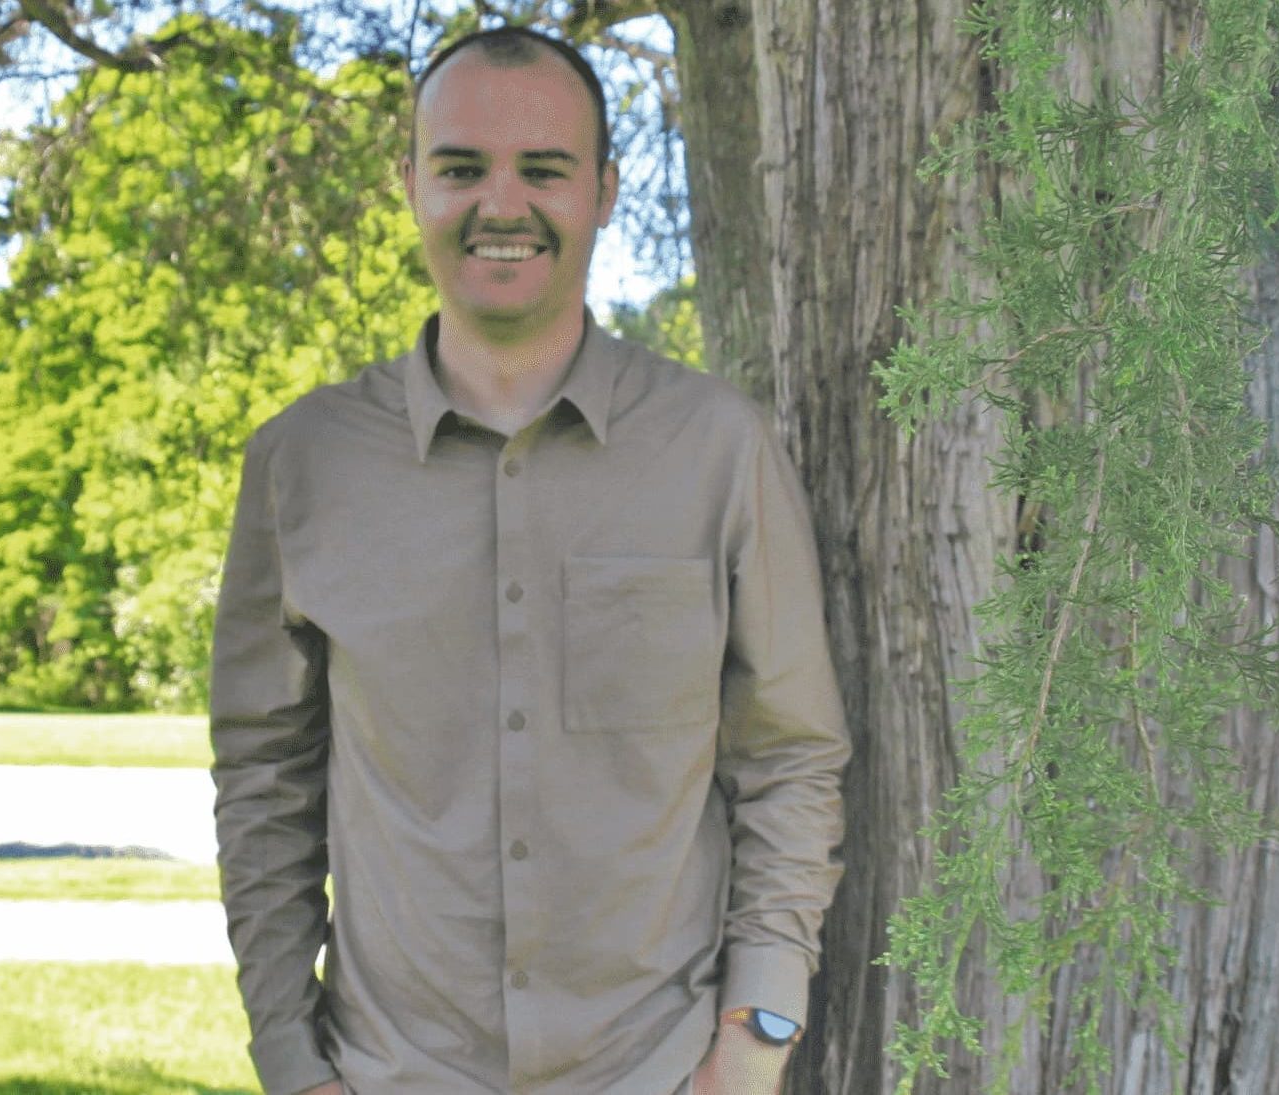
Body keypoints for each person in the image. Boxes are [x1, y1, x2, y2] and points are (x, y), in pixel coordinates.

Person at [208, 24, 851, 1095]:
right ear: (409, 183)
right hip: (387, 1075)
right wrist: (289, 1056)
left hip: (659, 1073)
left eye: (542, 171)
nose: (500, 206)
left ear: (602, 191)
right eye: (461, 168)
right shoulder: (301, 464)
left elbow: (789, 757)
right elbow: (263, 780)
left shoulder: (718, 450)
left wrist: (753, 1043)